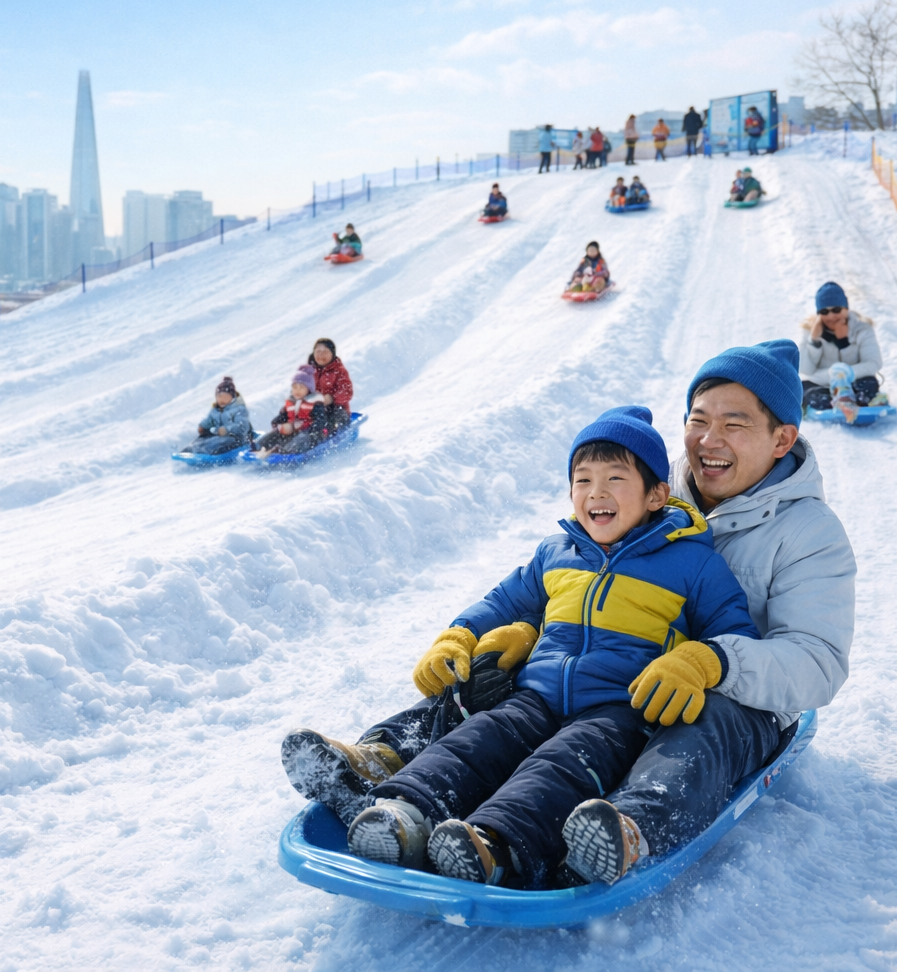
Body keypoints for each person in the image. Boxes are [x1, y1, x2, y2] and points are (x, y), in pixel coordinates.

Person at [281, 340, 856, 887]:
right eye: (698, 419)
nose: (709, 439)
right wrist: (517, 633)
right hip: (591, 674)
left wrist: (713, 662)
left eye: (734, 424)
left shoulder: (809, 534)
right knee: (488, 676)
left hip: (713, 695)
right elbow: (545, 589)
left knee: (697, 722)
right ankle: (385, 763)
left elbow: (818, 663)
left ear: (782, 439)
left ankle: (623, 829)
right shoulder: (650, 480)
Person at [342, 407, 761, 887]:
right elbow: (503, 601)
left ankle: (493, 845)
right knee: (476, 740)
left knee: (558, 767)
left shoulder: (692, 562)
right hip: (536, 695)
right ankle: (403, 815)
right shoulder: (557, 552)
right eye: (582, 480)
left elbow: (734, 634)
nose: (596, 493)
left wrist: (698, 660)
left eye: (614, 479)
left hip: (618, 710)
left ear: (656, 495)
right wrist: (458, 634)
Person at [800, 282, 883, 412]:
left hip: (855, 381)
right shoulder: (809, 330)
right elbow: (806, 370)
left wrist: (846, 373)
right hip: (822, 384)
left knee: (869, 385)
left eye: (836, 310)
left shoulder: (862, 329)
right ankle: (840, 403)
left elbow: (873, 363)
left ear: (846, 308)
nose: (831, 316)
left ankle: (855, 400)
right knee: (805, 391)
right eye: (824, 311)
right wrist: (814, 341)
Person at [254, 367, 329, 457]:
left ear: (309, 389)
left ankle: (285, 452)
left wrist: (307, 428)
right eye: (295, 387)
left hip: (310, 433)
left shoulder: (315, 403)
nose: (297, 390)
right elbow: (284, 415)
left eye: (301, 387)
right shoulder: (292, 402)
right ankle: (258, 446)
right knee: (275, 434)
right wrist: (278, 423)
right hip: (293, 431)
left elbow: (321, 420)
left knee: (301, 439)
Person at [187, 376, 253, 455]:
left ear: (232, 398)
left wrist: (227, 430)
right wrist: (203, 426)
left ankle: (211, 453)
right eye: (219, 398)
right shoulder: (216, 410)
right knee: (202, 440)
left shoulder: (238, 409)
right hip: (219, 436)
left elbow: (243, 426)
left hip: (236, 438)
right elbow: (210, 420)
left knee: (221, 443)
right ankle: (193, 450)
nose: (222, 401)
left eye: (225, 398)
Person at [308, 337, 354, 432]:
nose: (320, 355)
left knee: (327, 420)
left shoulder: (339, 371)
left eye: (325, 352)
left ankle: (325, 436)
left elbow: (347, 392)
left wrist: (332, 398)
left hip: (336, 409)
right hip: (317, 410)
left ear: (332, 354)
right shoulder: (311, 372)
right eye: (318, 352)